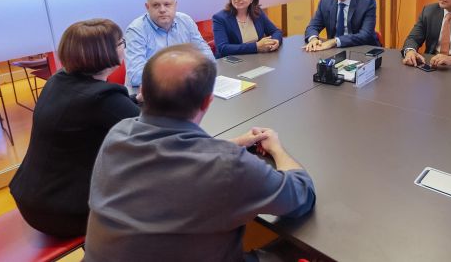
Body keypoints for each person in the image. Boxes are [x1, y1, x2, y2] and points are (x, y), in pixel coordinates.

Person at [84, 44, 316, 262]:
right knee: (296, 249)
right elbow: (301, 195)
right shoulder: (226, 165)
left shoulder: (118, 134)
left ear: (142, 91)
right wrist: (277, 149)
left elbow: (175, 158)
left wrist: (233, 144)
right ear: (207, 101)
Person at [9, 19, 140, 237]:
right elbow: (153, 132)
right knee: (152, 192)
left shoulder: (58, 81)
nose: (124, 46)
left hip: (31, 196)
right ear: (105, 52)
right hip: (62, 214)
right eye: (121, 42)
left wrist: (135, 99)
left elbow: (113, 111)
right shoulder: (103, 99)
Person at [125, 0, 214, 89]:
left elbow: (206, 55)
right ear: (147, 7)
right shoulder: (136, 30)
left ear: (175, 5)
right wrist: (184, 71)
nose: (162, 10)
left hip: (185, 87)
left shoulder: (186, 21)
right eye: (156, 5)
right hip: (149, 93)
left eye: (167, 4)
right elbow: (136, 75)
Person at [212, 0, 283, 58]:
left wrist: (275, 41)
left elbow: (276, 31)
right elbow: (223, 48)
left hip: (256, 60)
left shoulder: (258, 12)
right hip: (231, 64)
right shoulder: (219, 18)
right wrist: (256, 46)